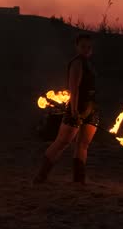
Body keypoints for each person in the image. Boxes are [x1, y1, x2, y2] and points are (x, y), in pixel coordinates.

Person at [35, 32, 98, 184]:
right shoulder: (76, 63)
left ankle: (78, 180)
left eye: (89, 47)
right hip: (77, 108)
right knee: (62, 142)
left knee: (83, 144)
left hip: (91, 108)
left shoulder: (88, 63)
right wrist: (75, 111)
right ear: (77, 47)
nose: (87, 49)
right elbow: (74, 88)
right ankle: (40, 177)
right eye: (83, 46)